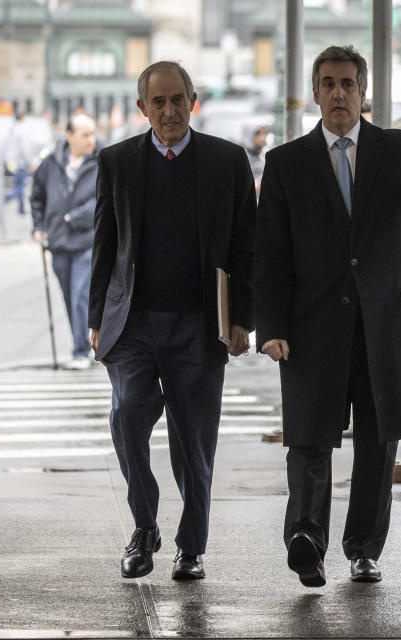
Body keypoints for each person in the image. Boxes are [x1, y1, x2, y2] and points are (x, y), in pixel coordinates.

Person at [254, 44, 401, 586]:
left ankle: (364, 547)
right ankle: (305, 538)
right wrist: (271, 328)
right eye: (327, 84)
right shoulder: (285, 163)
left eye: (348, 83)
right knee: (308, 437)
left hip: (386, 325)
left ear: (363, 92)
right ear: (315, 93)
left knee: (378, 440)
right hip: (312, 327)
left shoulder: (400, 149)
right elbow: (271, 254)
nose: (338, 93)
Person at [89, 61, 256, 582]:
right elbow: (104, 244)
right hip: (133, 322)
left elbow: (246, 247)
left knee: (194, 440)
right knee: (127, 418)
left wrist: (243, 319)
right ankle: (145, 525)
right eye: (157, 102)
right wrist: (97, 318)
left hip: (199, 323)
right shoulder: (116, 162)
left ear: (193, 100)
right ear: (142, 108)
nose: (168, 111)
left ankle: (191, 546)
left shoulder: (227, 161)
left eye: (177, 100)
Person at [30, 113, 101, 369]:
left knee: (81, 294)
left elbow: (103, 201)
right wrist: (38, 227)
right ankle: (84, 343)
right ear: (69, 135)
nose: (91, 139)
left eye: (92, 134)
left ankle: (82, 351)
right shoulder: (51, 163)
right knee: (70, 297)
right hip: (58, 242)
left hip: (87, 240)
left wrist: (75, 217)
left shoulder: (102, 161)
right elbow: (37, 196)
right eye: (85, 135)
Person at [3, 112, 32, 214]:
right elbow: (24, 149)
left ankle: (21, 208)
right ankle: (5, 199)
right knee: (21, 186)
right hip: (19, 162)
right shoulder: (22, 130)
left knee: (18, 183)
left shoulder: (12, 129)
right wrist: (30, 162)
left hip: (10, 161)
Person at [243, 124, 269, 197]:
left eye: (265, 133)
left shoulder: (262, 155)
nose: (262, 138)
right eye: (258, 133)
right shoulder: (243, 157)